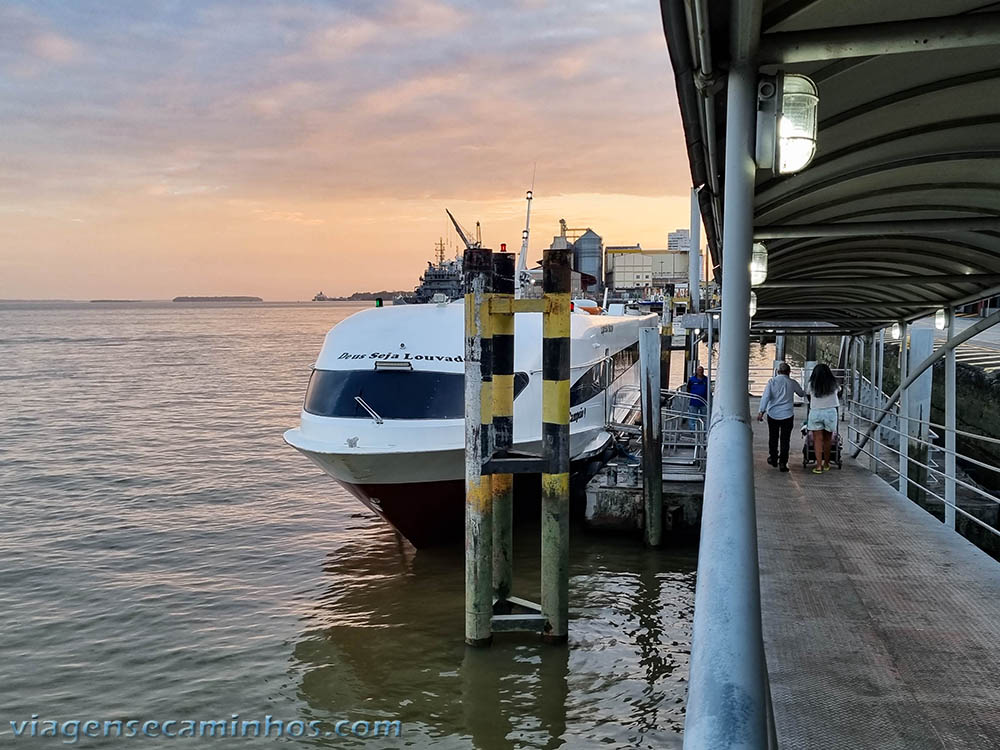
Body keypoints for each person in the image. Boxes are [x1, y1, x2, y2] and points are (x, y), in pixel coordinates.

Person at [757, 362, 806, 472]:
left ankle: (773, 458)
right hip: (787, 415)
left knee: (773, 437)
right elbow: (801, 393)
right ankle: (783, 463)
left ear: (778, 371)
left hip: (773, 414)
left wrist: (761, 412)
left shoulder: (771, 382)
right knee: (785, 439)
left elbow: (765, 397)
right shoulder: (792, 382)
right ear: (789, 372)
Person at [807, 363, 840, 474]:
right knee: (828, 439)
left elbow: (808, 394)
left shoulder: (812, 384)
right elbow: (839, 391)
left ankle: (818, 466)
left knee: (817, 440)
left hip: (816, 411)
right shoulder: (834, 384)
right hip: (830, 412)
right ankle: (826, 463)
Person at [687, 365, 709, 432]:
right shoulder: (692, 379)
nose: (700, 371)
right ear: (696, 371)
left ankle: (705, 431)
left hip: (704, 401)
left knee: (705, 417)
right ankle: (693, 431)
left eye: (701, 370)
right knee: (692, 417)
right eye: (699, 370)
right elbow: (688, 388)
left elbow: (709, 389)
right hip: (694, 401)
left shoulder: (706, 379)